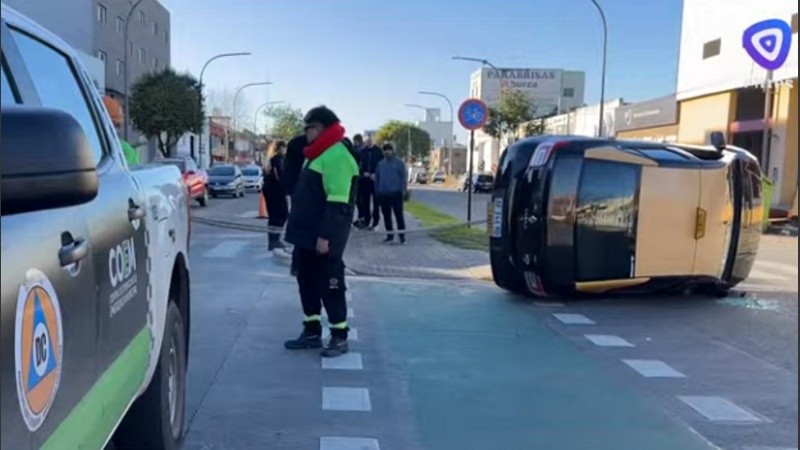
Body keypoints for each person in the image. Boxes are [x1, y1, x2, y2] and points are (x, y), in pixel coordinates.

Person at [284, 106, 359, 358]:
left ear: (325, 129)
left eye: (312, 127)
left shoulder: (337, 155)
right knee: (306, 282)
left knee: (331, 284)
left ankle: (339, 336)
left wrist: (326, 236)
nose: (307, 132)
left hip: (324, 236)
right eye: (305, 127)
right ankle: (312, 331)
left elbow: (338, 203)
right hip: (306, 234)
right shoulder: (316, 154)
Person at [375, 143, 408, 244]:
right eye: (385, 150)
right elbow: (377, 179)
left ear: (393, 150)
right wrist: (377, 192)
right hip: (383, 195)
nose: (387, 152)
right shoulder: (380, 164)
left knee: (399, 215)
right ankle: (389, 236)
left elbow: (404, 178)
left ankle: (402, 236)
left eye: (389, 149)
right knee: (386, 216)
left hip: (396, 194)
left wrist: (402, 190)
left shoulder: (399, 163)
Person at [264, 140, 289, 250]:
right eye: (284, 147)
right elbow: (280, 175)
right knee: (281, 214)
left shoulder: (269, 159)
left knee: (274, 216)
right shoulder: (278, 159)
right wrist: (286, 188)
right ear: (280, 148)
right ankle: (275, 240)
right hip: (276, 190)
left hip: (270, 190)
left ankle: (273, 240)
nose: (285, 150)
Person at [103, 95, 140, 166]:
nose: (117, 130)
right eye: (115, 125)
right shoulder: (127, 150)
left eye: (117, 125)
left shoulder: (127, 150)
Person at [356, 135, 383, 229]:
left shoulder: (379, 152)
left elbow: (382, 165)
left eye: (370, 140)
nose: (369, 142)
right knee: (365, 202)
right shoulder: (362, 151)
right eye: (367, 140)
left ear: (373, 140)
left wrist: (376, 174)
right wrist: (363, 173)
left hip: (375, 180)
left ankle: (375, 222)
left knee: (376, 203)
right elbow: (358, 165)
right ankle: (366, 221)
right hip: (365, 180)